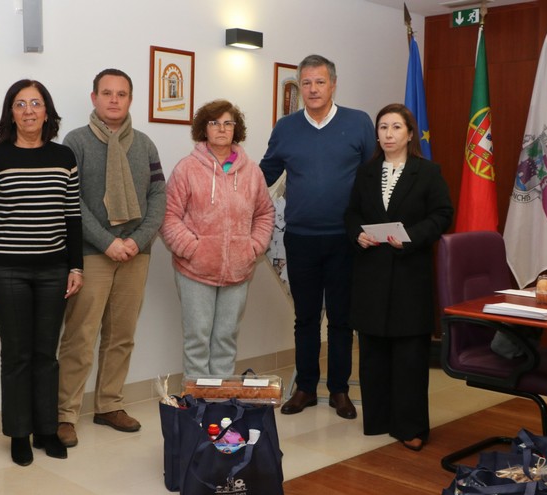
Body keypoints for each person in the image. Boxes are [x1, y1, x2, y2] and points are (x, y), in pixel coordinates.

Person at [0, 79, 83, 466]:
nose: (29, 110)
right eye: (20, 104)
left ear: (47, 111)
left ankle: (46, 430)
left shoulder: (64, 156)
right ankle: (19, 434)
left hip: (54, 270)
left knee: (46, 354)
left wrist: (76, 266)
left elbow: (72, 218)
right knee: (17, 354)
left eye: (35, 103)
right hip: (5, 271)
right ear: (11, 113)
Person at [260, 54, 376, 419]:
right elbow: (264, 174)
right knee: (306, 318)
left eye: (320, 82)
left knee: (341, 319)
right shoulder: (286, 127)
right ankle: (306, 388)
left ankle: (339, 390)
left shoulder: (358, 123)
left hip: (346, 239)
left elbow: (374, 176)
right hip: (301, 238)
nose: (313, 89)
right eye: (306, 83)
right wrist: (226, 175)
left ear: (333, 85)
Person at [56, 69, 166, 446]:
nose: (114, 100)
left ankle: (108, 405)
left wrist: (136, 240)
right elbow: (71, 200)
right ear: (94, 98)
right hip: (92, 253)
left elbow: (158, 196)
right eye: (107, 93)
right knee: (80, 336)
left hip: (136, 253)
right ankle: (65, 414)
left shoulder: (145, 144)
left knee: (122, 336)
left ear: (130, 100)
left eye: (121, 94)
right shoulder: (76, 142)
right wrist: (107, 242)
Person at [344, 103, 453, 451]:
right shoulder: (366, 172)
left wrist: (410, 236)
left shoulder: (428, 172)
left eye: (395, 127)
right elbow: (352, 213)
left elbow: (443, 215)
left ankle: (410, 426)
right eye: (383, 128)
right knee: (373, 352)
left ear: (409, 134)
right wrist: (357, 234)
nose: (388, 134)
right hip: (371, 274)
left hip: (409, 274)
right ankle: (378, 420)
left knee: (409, 356)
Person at [161, 100, 275, 377]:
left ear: (236, 129)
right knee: (197, 340)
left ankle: (221, 399)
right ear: (204, 128)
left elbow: (265, 213)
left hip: (238, 271)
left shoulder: (252, 172)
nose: (222, 129)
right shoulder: (187, 168)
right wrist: (192, 249)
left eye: (228, 123)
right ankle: (197, 399)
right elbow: (168, 215)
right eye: (214, 123)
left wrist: (253, 248)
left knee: (226, 339)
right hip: (195, 271)